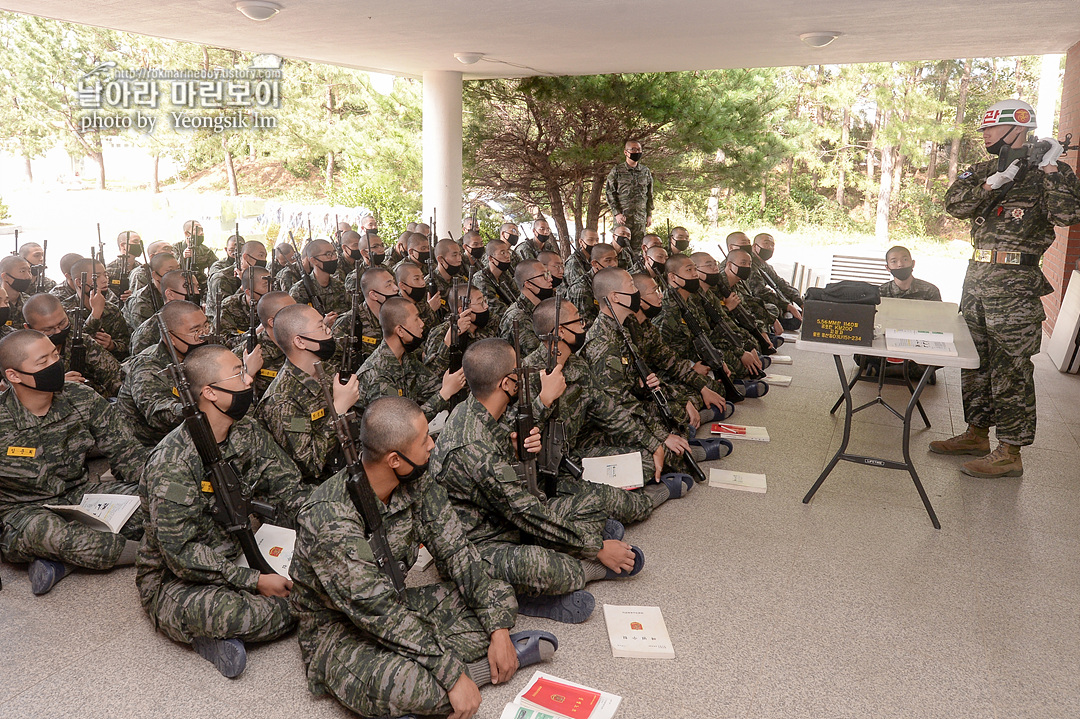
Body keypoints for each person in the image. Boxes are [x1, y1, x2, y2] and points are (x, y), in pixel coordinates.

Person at [290, 396, 556, 719]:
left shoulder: (416, 479)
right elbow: (375, 610)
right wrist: (450, 673)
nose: (432, 444)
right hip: (338, 631)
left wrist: (498, 629)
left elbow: (457, 551)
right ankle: (477, 671)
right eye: (423, 440)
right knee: (411, 686)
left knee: (498, 595)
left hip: (396, 602)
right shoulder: (329, 516)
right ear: (394, 460)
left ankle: (482, 655)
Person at [431, 338, 643, 625]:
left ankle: (573, 551)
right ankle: (548, 586)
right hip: (476, 545)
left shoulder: (473, 408)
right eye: (518, 373)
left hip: (501, 517)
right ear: (506, 384)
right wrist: (598, 549)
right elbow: (526, 513)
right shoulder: (472, 448)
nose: (523, 377)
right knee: (555, 568)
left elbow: (502, 442)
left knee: (590, 506)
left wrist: (528, 428)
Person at [137, 344, 308, 678]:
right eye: (238, 373)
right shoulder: (173, 462)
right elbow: (180, 555)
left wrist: (332, 526)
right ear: (210, 392)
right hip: (181, 578)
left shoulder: (246, 431)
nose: (248, 379)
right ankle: (209, 636)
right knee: (255, 611)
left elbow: (289, 489)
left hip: (244, 548)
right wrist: (254, 580)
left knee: (323, 578)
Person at [931, 98, 1080, 478]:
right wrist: (993, 181)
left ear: (1020, 128)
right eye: (984, 130)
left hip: (1015, 288)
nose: (986, 136)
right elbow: (954, 205)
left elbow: (1068, 215)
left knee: (1011, 368)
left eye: (992, 129)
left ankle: (1010, 452)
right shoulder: (983, 169)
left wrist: (1049, 168)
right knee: (974, 362)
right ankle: (976, 433)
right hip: (977, 282)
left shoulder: (1051, 172)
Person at [0, 329, 147, 595]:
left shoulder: (80, 397)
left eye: (55, 355)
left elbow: (128, 454)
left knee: (153, 506)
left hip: (78, 497)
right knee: (52, 535)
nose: (55, 365)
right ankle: (152, 556)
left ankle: (58, 562)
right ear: (14, 375)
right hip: (22, 512)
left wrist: (157, 491)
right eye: (42, 362)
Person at [117, 300, 261, 447]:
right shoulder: (147, 366)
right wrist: (203, 408)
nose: (204, 335)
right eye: (195, 331)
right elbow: (158, 413)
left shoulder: (198, 351)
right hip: (153, 446)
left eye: (206, 326)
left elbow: (226, 348)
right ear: (170, 338)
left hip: (198, 434)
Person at [256, 304, 359, 484]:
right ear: (300, 342)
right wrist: (339, 409)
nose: (329, 332)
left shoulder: (326, 370)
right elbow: (311, 464)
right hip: (313, 488)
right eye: (321, 327)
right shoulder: (283, 399)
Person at [356, 296, 466, 417]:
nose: (422, 324)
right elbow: (401, 425)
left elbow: (432, 382)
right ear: (400, 331)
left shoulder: (405, 357)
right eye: (416, 319)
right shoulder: (378, 374)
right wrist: (444, 394)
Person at [22, 293, 123, 398]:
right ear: (29, 328)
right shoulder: (20, 353)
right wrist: (54, 384)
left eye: (62, 323)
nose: (58, 331)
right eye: (48, 329)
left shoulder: (82, 342)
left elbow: (115, 378)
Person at [62, 257, 130, 361]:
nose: (104, 280)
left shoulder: (111, 309)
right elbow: (70, 348)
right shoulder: (64, 311)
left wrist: (112, 345)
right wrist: (95, 315)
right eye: (96, 277)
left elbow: (128, 346)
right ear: (80, 282)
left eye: (105, 275)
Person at [332, 266, 399, 372]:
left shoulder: (396, 314)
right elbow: (332, 362)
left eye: (394, 283)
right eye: (389, 285)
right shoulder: (348, 323)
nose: (396, 288)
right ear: (373, 295)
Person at [604, 139, 654, 256]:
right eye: (633, 149)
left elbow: (649, 194)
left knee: (637, 252)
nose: (636, 152)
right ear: (626, 152)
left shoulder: (645, 172)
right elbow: (610, 193)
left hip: (640, 219)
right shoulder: (617, 171)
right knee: (621, 250)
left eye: (639, 149)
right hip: (623, 219)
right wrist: (617, 213)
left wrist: (649, 214)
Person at [499, 259, 555, 357]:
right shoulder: (517, 316)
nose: (550, 279)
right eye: (544, 276)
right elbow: (542, 356)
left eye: (548, 274)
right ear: (528, 284)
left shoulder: (541, 308)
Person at [752, 232, 804, 329]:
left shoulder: (765, 265)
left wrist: (800, 303)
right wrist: (787, 306)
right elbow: (760, 291)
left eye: (772, 245)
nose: (770, 247)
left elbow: (780, 283)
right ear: (755, 246)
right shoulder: (750, 263)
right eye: (766, 243)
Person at [123, 251, 180, 332]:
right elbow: (146, 334)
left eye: (178, 269)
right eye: (169, 271)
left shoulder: (179, 292)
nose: (176, 274)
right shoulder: (140, 301)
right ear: (155, 275)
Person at [289, 240, 349, 316]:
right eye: (328, 254)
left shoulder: (339, 286)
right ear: (314, 260)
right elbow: (294, 322)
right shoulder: (299, 291)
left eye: (334, 253)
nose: (334, 258)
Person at [471, 238, 518, 319]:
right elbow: (494, 307)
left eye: (508, 252)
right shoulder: (480, 278)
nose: (507, 256)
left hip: (510, 314)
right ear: (491, 258)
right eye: (502, 253)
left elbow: (516, 295)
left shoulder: (505, 275)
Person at [172, 220, 219, 289]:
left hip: (201, 286)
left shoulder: (205, 250)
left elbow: (216, 266)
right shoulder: (176, 248)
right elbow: (171, 270)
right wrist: (183, 258)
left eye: (202, 230)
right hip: (181, 286)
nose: (201, 233)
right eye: (197, 230)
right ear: (187, 234)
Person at [0, 255, 33, 328]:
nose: (28, 276)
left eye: (29, 271)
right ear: (5, 276)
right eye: (22, 271)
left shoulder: (30, 303)